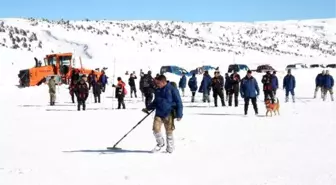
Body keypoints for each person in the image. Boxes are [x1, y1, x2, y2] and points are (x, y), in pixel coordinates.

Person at [142, 75, 183, 153]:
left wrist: (179, 114)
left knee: (169, 131)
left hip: (168, 113)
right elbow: (155, 102)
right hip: (159, 113)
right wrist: (148, 108)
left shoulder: (172, 89)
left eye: (158, 83)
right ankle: (160, 143)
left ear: (163, 82)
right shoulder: (158, 90)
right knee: (155, 129)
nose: (156, 85)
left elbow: (179, 102)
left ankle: (170, 148)